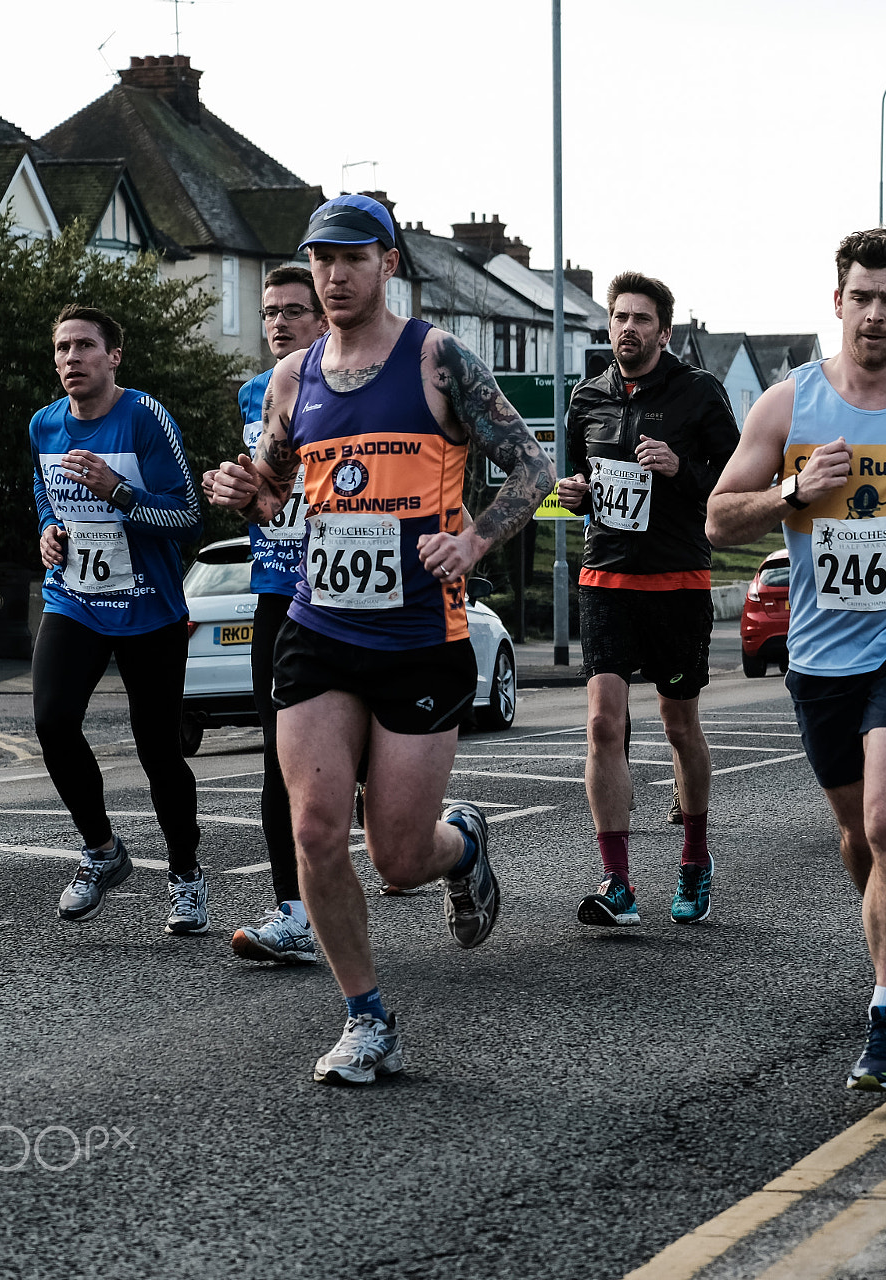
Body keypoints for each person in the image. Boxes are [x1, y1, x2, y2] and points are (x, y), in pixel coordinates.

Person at [206, 194, 555, 1084]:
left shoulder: (438, 359)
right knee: (318, 829)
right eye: (320, 259)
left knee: (399, 857)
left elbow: (534, 465)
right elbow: (277, 489)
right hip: (319, 629)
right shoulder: (295, 378)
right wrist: (240, 487)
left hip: (418, 636)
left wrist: (473, 539)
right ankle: (365, 1015)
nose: (332, 275)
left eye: (351, 258)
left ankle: (462, 843)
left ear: (388, 263)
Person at [705, 228, 886, 1093]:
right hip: (823, 654)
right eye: (861, 297)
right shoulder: (787, 407)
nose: (875, 314)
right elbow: (718, 521)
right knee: (858, 838)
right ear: (838, 303)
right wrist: (795, 491)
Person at [554, 273, 741, 929]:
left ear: (664, 330)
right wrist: (574, 492)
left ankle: (694, 859)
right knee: (604, 723)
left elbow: (736, 486)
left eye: (641, 319)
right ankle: (618, 881)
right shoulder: (587, 398)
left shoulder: (698, 394)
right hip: (604, 580)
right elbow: (577, 479)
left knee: (679, 726)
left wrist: (681, 470)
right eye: (619, 317)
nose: (627, 328)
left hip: (677, 583)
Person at [33, 305, 205, 930]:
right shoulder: (44, 425)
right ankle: (101, 850)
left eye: (84, 346)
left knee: (158, 750)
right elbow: (43, 493)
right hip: (74, 598)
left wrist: (118, 491)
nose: (71, 359)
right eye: (61, 349)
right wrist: (49, 531)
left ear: (114, 357)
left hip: (149, 609)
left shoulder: (145, 419)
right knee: (53, 722)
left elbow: (188, 515)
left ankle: (185, 877)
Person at [215, 266, 329, 964]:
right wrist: (234, 487)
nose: (280, 322)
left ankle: (441, 837)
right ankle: (293, 911)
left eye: (294, 310)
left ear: (321, 321)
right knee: (277, 760)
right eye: (269, 312)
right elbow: (264, 492)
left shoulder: (349, 387)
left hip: (347, 597)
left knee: (375, 770)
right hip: (276, 591)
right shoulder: (254, 395)